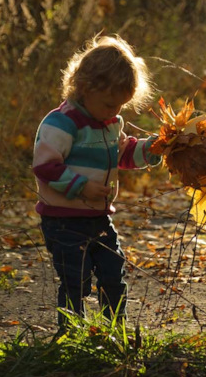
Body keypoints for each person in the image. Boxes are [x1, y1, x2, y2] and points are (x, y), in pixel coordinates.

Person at [32, 34, 162, 327]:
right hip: (63, 220)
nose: (115, 112)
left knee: (112, 274)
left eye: (120, 106)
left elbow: (123, 153)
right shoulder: (62, 123)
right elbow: (46, 167)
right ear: (85, 88)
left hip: (99, 217)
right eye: (108, 104)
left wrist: (152, 150)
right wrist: (82, 186)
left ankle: (115, 330)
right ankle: (71, 333)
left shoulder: (110, 123)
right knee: (75, 281)